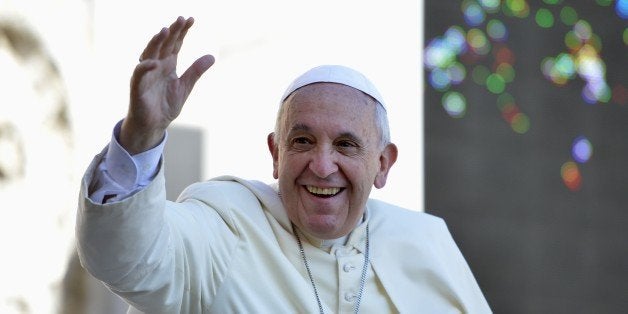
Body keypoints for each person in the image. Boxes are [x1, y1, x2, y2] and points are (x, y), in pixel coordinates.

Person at [76, 16, 492, 314]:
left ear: (383, 164)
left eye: (345, 145)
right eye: (303, 141)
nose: (322, 165)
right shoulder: (226, 222)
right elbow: (125, 260)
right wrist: (141, 137)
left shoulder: (426, 240)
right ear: (276, 154)